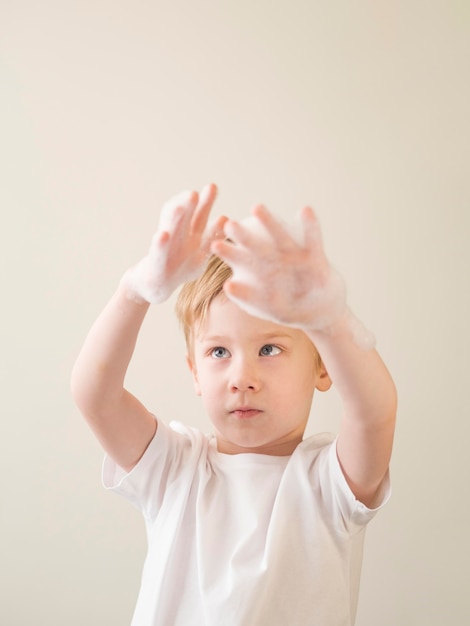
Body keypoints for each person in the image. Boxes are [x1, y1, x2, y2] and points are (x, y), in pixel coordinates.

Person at [71, 183, 397, 626]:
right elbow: (96, 394)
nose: (242, 379)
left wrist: (331, 321)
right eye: (219, 353)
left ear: (323, 369)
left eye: (269, 349)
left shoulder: (329, 485)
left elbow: (374, 412)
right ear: (195, 374)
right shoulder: (173, 469)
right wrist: (135, 292)